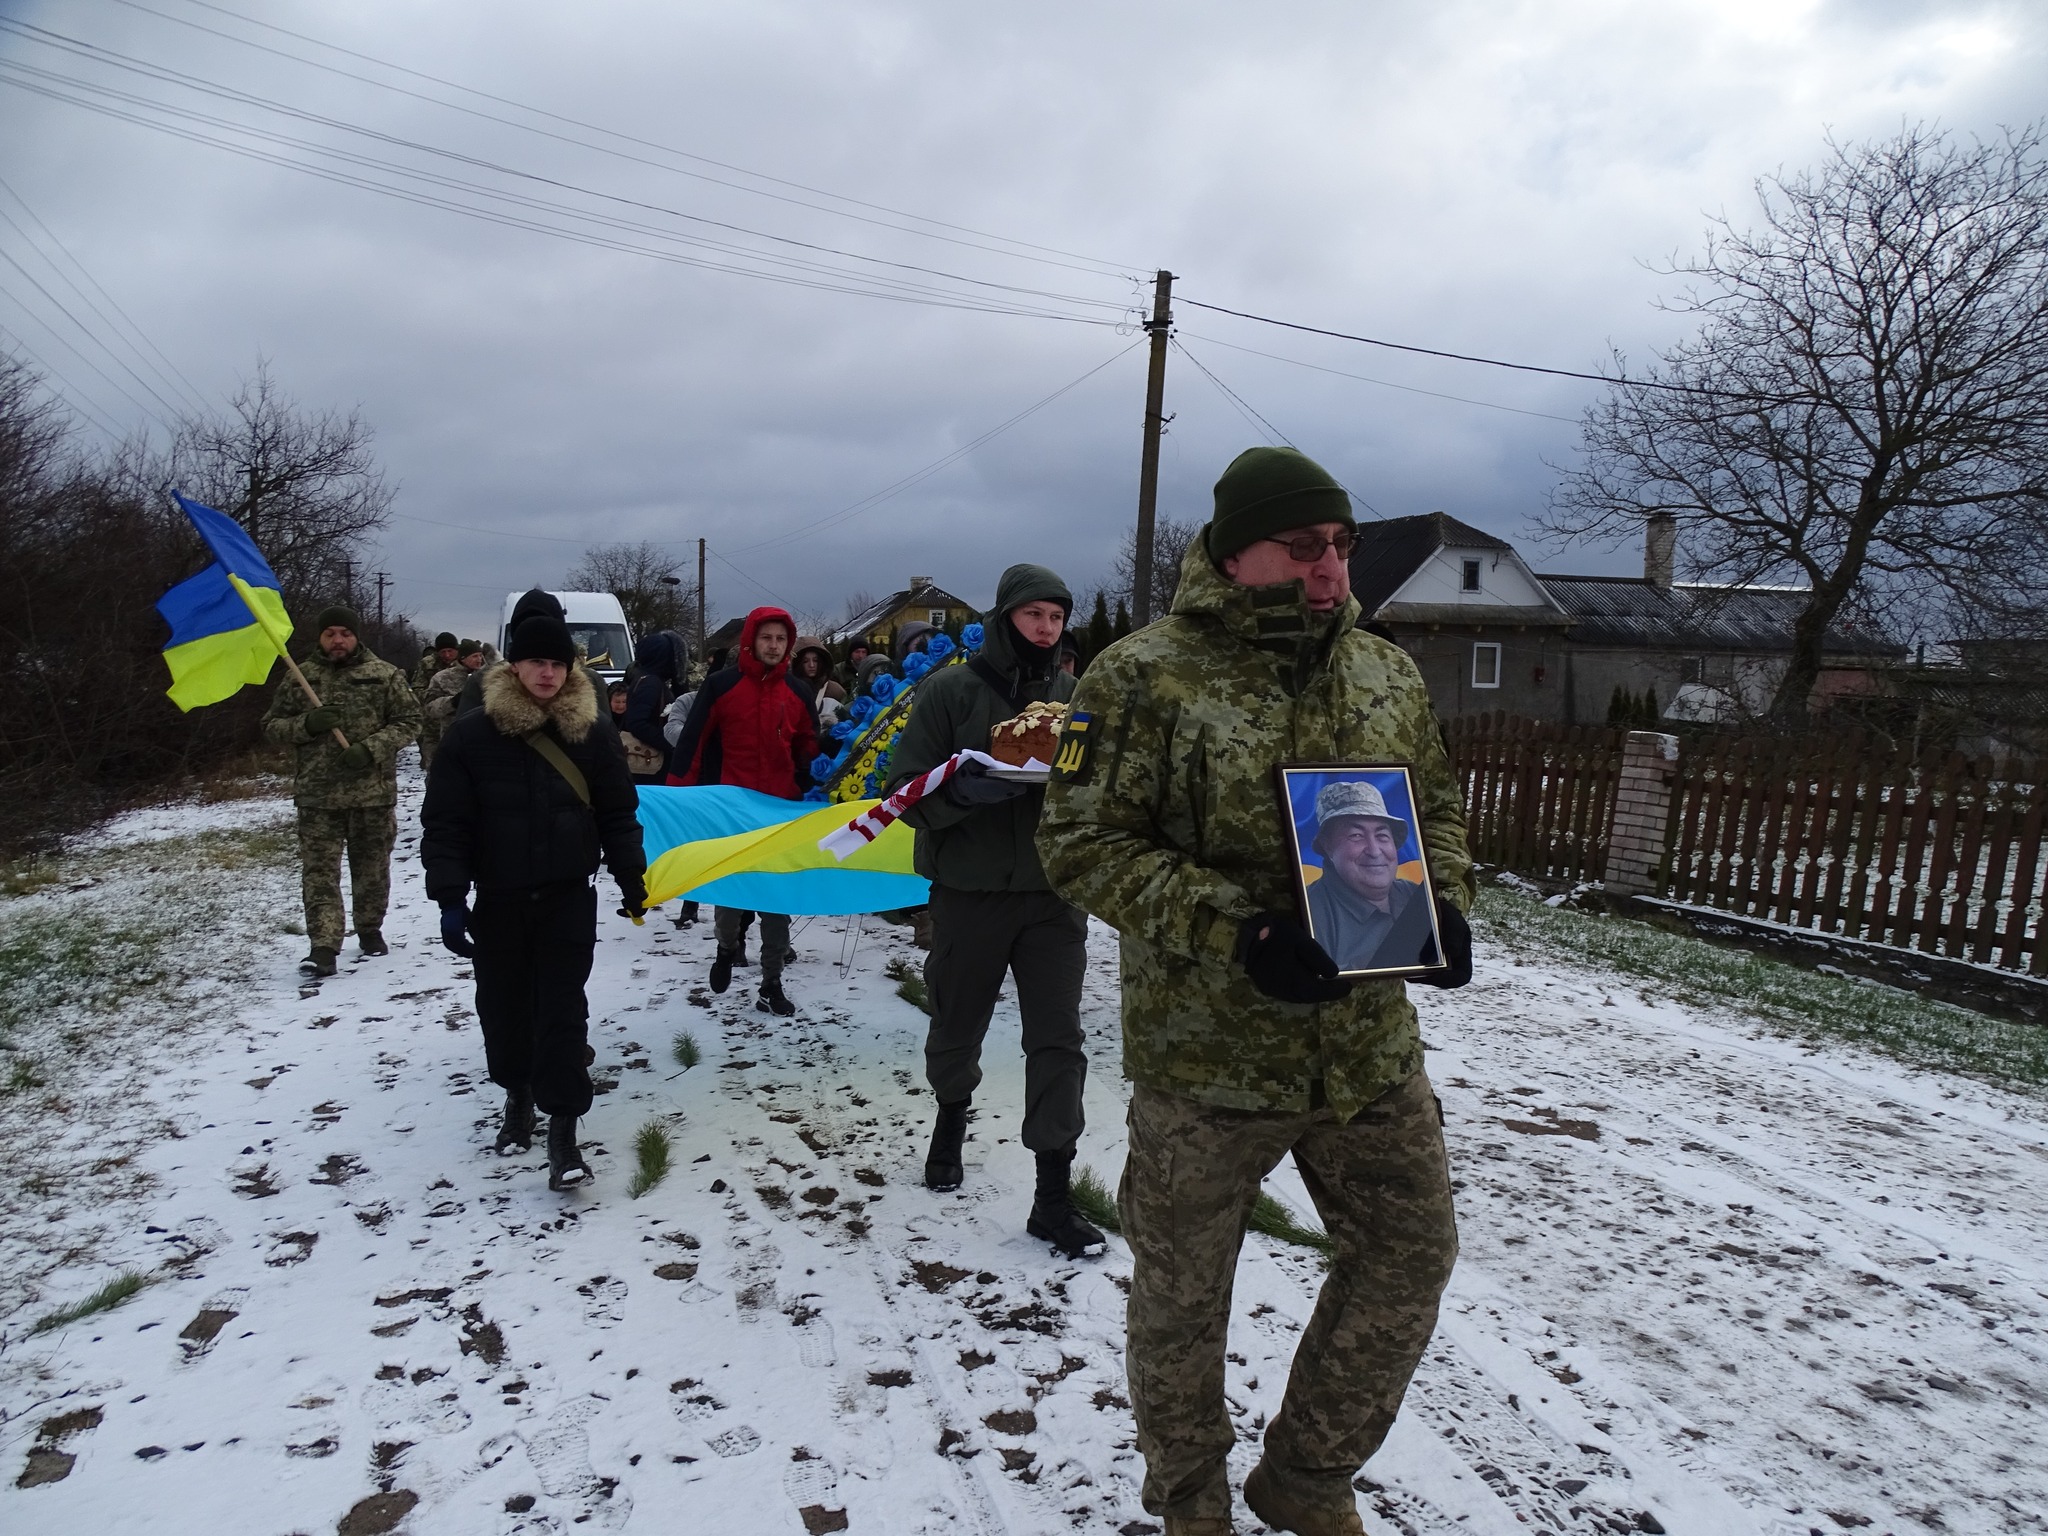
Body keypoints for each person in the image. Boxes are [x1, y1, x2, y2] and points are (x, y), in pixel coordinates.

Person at [1038, 446, 1476, 1536]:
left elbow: (1437, 814)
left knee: (1410, 1253)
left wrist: (1445, 908)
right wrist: (1240, 932)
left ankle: (1307, 1473)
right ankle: (1189, 1501)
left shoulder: (1381, 672)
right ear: (1235, 554)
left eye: (1339, 546)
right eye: (1302, 546)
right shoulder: (1139, 676)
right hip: (1208, 1059)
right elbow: (1079, 842)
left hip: (1365, 1049)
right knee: (1184, 1299)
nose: (1329, 568)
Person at [887, 565, 1101, 1257]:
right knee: (956, 1021)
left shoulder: (1075, 699)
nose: (1046, 628)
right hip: (970, 892)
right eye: (1034, 614)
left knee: (1058, 1042)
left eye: (1057, 617)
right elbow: (903, 794)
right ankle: (951, 1117)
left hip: (1051, 898)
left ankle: (1053, 1196)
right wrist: (965, 794)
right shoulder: (950, 693)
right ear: (1005, 616)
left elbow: (1094, 791)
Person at [421, 615, 646, 1189]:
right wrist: (450, 896)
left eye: (557, 664)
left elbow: (618, 813)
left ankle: (564, 1134)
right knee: (504, 1007)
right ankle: (518, 1097)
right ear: (513, 667)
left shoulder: (590, 733)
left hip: (569, 896)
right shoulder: (471, 735)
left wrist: (630, 875)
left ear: (569, 670)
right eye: (536, 662)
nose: (547, 673)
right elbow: (448, 823)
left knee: (563, 1011)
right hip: (499, 898)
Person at [664, 606, 817, 1016]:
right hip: (731, 811)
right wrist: (679, 799)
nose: (774, 645)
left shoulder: (799, 694)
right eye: (767, 638)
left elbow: (810, 751)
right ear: (751, 640)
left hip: (779, 812)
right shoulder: (721, 686)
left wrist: (816, 785)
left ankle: (771, 982)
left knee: (774, 899)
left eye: (781, 639)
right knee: (732, 899)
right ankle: (726, 946)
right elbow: (692, 744)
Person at [261, 604, 422, 977]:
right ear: (320, 637)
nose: (338, 640)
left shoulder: (384, 675)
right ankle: (323, 946)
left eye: (345, 633)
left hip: (372, 794)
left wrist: (372, 748)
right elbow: (271, 725)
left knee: (372, 869)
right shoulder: (300, 677)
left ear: (356, 636)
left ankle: (369, 929)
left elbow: (410, 721)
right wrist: (306, 724)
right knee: (319, 874)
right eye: (330, 633)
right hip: (318, 797)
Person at [1303, 781, 1436, 973]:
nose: (1374, 851)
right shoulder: (1309, 912)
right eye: (1356, 835)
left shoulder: (1416, 895)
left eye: (1382, 836)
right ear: (1327, 845)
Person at [621, 629, 688, 784]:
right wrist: (669, 742)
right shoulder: (650, 682)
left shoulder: (647, 678)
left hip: (651, 762)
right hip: (649, 763)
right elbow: (637, 723)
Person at [790, 636, 847, 731]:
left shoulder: (835, 690)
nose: (811, 665)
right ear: (797, 663)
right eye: (805, 661)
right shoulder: (788, 690)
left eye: (816, 660)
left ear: (822, 661)